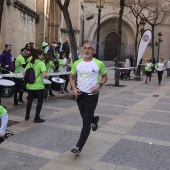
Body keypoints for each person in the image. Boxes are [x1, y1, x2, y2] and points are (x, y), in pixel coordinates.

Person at [69, 42, 108, 155]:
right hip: (80, 95)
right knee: (86, 118)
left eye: (89, 49)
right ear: (82, 50)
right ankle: (94, 120)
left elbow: (105, 77)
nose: (87, 50)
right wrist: (74, 89)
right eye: (85, 48)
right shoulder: (77, 63)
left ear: (93, 51)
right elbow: (71, 77)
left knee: (85, 122)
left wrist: (99, 85)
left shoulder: (98, 64)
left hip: (92, 96)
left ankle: (79, 147)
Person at [24, 49, 48, 123]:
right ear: (38, 55)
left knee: (29, 101)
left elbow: (23, 73)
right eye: (42, 54)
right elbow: (45, 75)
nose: (43, 56)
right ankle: (36, 117)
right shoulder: (41, 63)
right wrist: (47, 77)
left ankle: (27, 116)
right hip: (39, 86)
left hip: (30, 86)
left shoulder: (30, 63)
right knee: (39, 102)